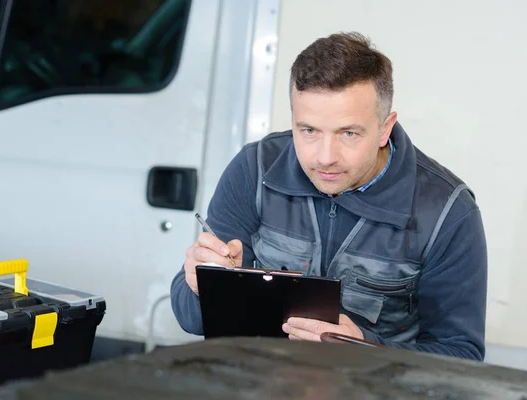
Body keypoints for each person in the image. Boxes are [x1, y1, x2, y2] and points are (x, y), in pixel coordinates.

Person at [170, 32, 487, 361]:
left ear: (385, 128)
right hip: (260, 382)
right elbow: (188, 318)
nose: (324, 157)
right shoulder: (254, 170)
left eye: (348, 133)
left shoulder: (448, 212)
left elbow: (461, 357)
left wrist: (364, 347)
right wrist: (201, 285)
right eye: (308, 131)